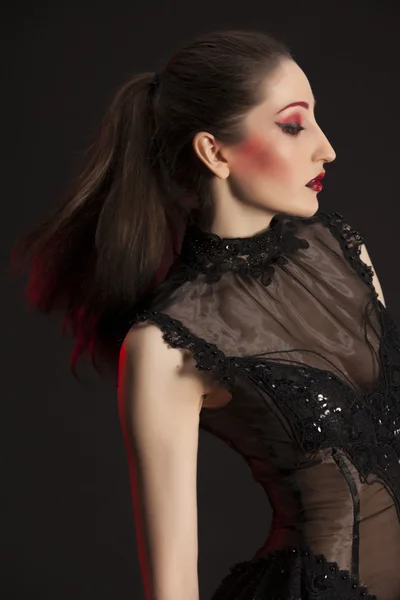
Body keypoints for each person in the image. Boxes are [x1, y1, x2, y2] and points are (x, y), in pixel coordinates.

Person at [11, 27, 400, 600]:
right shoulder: (165, 344)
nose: (326, 147)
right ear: (215, 152)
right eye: (294, 125)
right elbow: (172, 587)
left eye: (315, 119)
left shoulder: (342, 249)